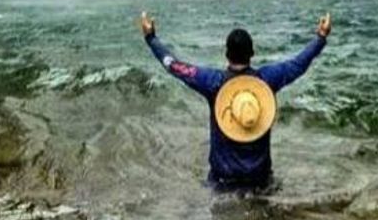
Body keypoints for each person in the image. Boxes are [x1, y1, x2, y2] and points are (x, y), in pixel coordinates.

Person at [140, 10, 332, 190]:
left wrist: (151, 38)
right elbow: (299, 64)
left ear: (226, 54)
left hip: (222, 183)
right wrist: (321, 38)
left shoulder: (213, 82)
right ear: (252, 53)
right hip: (261, 182)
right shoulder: (266, 80)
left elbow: (174, 66)